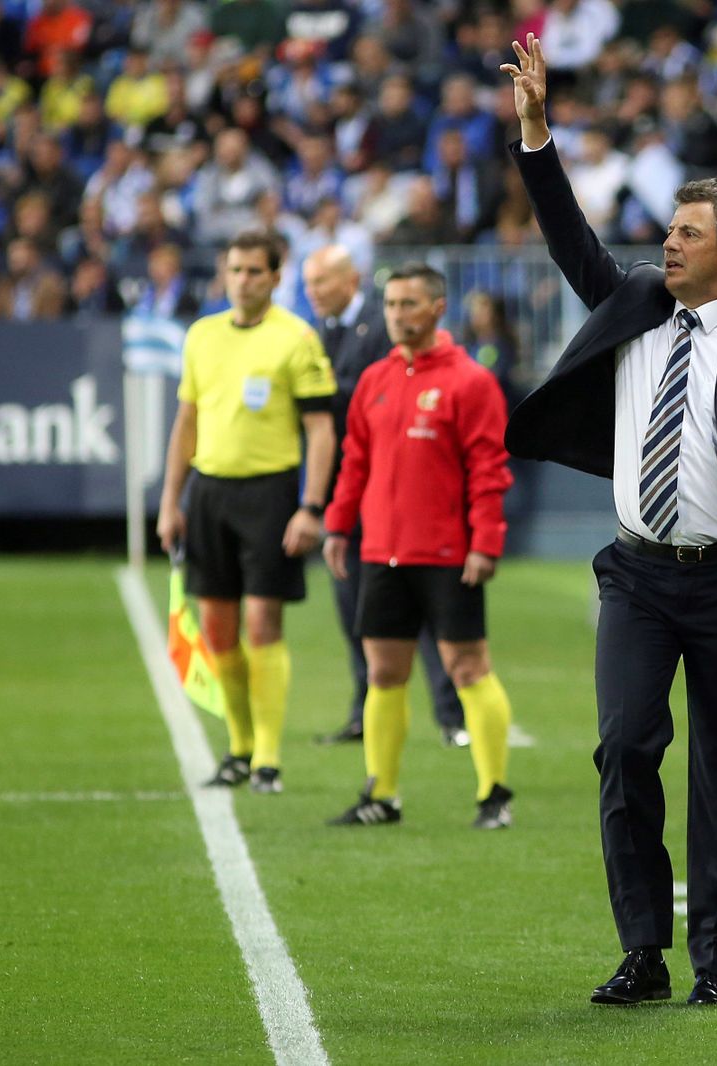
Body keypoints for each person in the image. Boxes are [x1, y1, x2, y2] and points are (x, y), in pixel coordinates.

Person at [500, 35, 717, 1007]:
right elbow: (570, 236)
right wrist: (537, 132)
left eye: (688, 233)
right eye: (670, 228)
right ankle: (643, 950)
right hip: (636, 575)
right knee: (626, 746)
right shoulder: (635, 298)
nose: (668, 242)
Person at [322, 264, 516, 830]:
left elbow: (489, 469)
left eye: (409, 304)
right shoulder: (375, 379)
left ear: (437, 308)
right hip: (382, 552)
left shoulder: (470, 381)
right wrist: (337, 526)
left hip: (449, 555)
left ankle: (494, 794)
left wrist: (485, 542)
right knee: (383, 672)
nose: (397, 314)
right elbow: (354, 462)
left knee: (467, 667)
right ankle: (381, 795)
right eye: (390, 304)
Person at [155, 231, 337, 796]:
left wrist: (311, 506)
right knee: (217, 629)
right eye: (235, 270)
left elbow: (321, 429)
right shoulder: (202, 335)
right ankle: (238, 747)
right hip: (209, 492)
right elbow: (187, 421)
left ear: (276, 278)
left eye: (255, 271)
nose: (243, 280)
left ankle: (268, 758)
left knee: (262, 623)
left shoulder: (296, 338)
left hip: (270, 494)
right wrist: (170, 502)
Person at [301, 244, 469, 749]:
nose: (313, 292)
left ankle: (452, 716)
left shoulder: (381, 325)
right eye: (308, 283)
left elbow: (377, 396)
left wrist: (315, 393)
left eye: (322, 282)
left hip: (398, 491)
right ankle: (363, 710)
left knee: (427, 612)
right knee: (357, 609)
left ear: (351, 280)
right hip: (350, 489)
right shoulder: (318, 333)